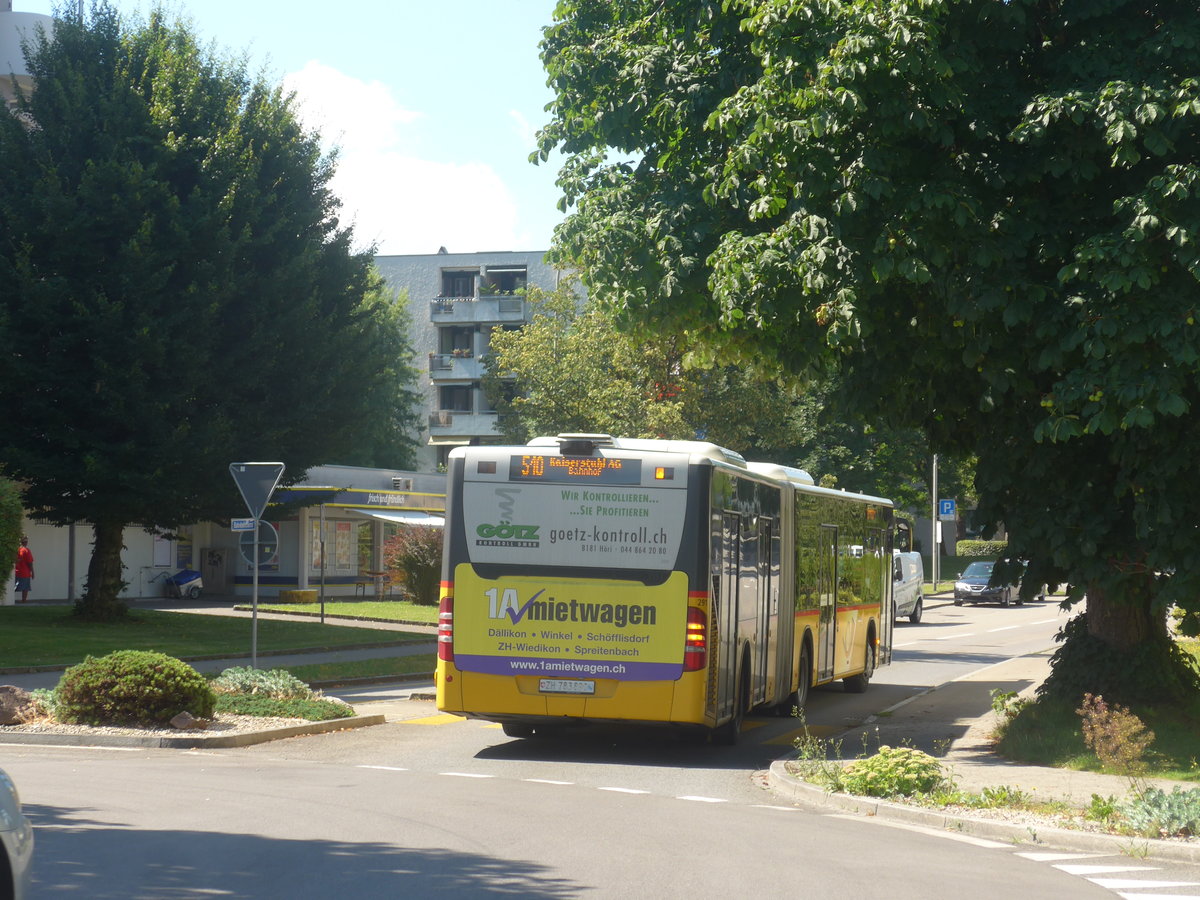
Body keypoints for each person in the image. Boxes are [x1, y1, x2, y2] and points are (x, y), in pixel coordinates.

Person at [13, 535, 33, 603]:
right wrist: (32, 572)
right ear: (26, 542)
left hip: (17, 572)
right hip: (25, 572)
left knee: (15, 587)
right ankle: (23, 600)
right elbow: (29, 562)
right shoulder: (26, 550)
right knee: (25, 588)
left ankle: (11, 599)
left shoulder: (17, 550)